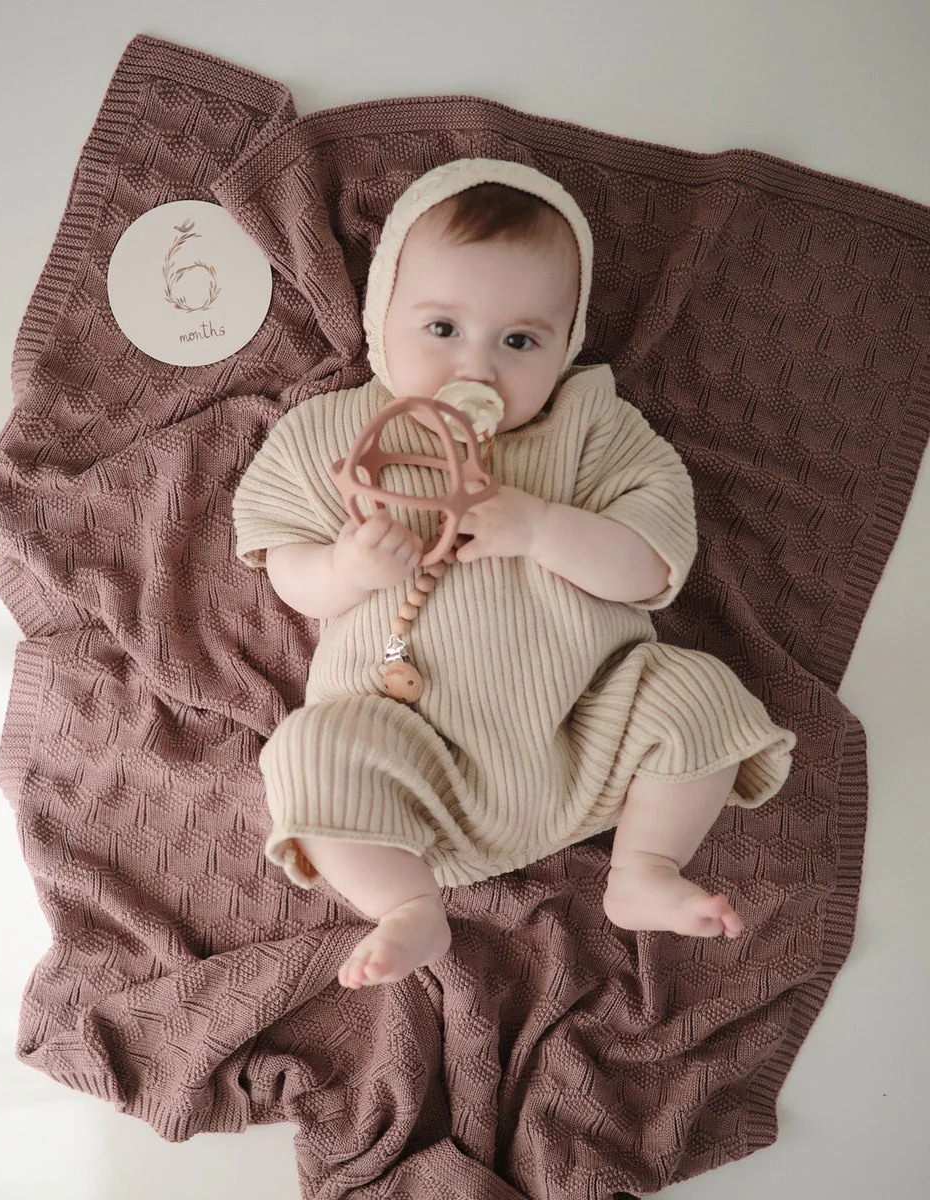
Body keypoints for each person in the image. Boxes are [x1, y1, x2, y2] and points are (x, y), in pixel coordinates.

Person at [231, 158, 795, 991]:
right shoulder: (331, 434)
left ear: (567, 345)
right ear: (381, 316)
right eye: (441, 328)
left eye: (520, 342)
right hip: (408, 756)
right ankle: (406, 904)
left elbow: (652, 563)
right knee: (305, 753)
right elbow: (286, 569)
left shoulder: (593, 429)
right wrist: (345, 569)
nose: (477, 368)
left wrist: (541, 528)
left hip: (583, 728)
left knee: (698, 692)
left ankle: (644, 865)